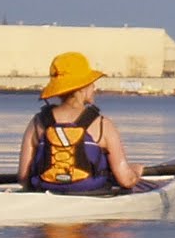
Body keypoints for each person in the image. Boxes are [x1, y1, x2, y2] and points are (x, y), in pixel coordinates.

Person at [18, 52, 145, 192]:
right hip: (92, 195)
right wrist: (136, 172)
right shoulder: (102, 124)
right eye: (91, 83)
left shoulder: (37, 123)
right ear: (83, 87)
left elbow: (24, 177)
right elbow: (126, 180)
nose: (94, 88)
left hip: (46, 193)